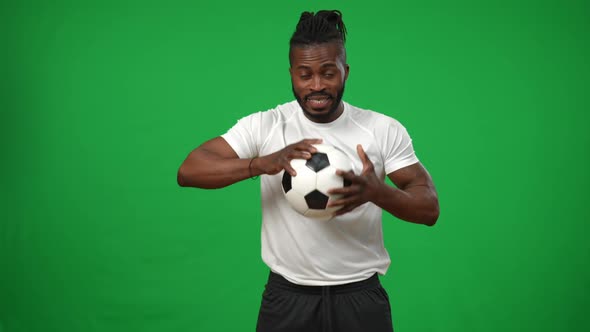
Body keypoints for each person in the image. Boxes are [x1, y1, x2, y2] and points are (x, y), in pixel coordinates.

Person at [177, 9, 439, 332]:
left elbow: (429, 208)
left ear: (346, 71)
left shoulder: (381, 129)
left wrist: (378, 192)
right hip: (287, 299)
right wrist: (261, 163)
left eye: (328, 73)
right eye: (305, 74)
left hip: (360, 297)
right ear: (291, 75)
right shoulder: (268, 125)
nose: (317, 86)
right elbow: (189, 170)